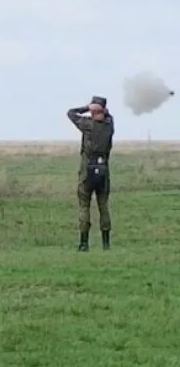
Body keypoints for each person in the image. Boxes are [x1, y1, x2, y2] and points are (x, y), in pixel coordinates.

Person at [67, 96, 115, 251]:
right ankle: (106, 244)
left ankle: (84, 243)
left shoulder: (88, 125)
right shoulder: (109, 126)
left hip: (86, 172)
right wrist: (102, 111)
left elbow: (71, 113)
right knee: (103, 206)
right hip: (103, 171)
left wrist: (86, 107)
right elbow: (109, 117)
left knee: (84, 206)